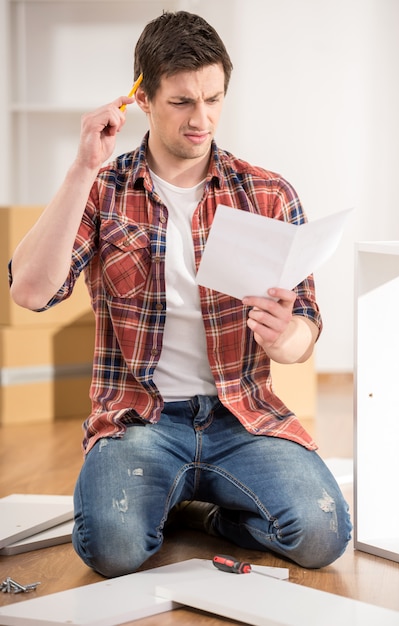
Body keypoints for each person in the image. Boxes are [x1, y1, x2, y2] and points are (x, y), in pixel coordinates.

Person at [9, 11, 351, 578]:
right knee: (112, 550)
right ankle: (170, 500)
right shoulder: (105, 189)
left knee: (323, 534)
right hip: (141, 421)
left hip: (240, 418)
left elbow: (304, 334)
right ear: (142, 97)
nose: (202, 119)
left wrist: (288, 336)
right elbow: (29, 292)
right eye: (182, 102)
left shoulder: (266, 193)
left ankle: (200, 515)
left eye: (214, 99)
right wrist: (81, 168)